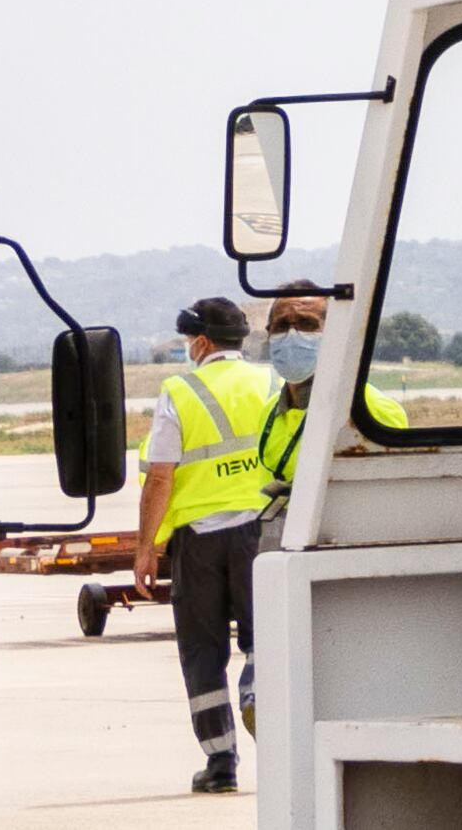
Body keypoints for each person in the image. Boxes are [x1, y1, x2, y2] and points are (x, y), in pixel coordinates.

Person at [135, 297, 278, 794]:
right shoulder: (274, 382)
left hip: (198, 543)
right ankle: (259, 695)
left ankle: (220, 765)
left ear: (200, 342)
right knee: (268, 640)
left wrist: (146, 547)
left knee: (203, 652)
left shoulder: (180, 390)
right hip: (261, 533)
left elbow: (159, 476)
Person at [255, 291, 409, 500]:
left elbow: (390, 493)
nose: (292, 335)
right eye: (281, 326)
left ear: (334, 334)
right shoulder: (270, 412)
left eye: (306, 324)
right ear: (268, 334)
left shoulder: (369, 409)